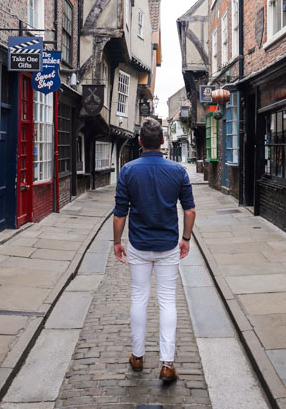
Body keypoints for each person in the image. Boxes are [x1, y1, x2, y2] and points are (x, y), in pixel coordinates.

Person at [112, 117, 196, 384]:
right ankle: (167, 363)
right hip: (169, 245)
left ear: (140, 142)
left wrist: (117, 242)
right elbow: (189, 210)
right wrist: (186, 238)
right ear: (162, 141)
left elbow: (119, 213)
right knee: (168, 301)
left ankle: (137, 356)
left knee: (139, 299)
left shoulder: (127, 171)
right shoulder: (178, 171)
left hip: (138, 245)